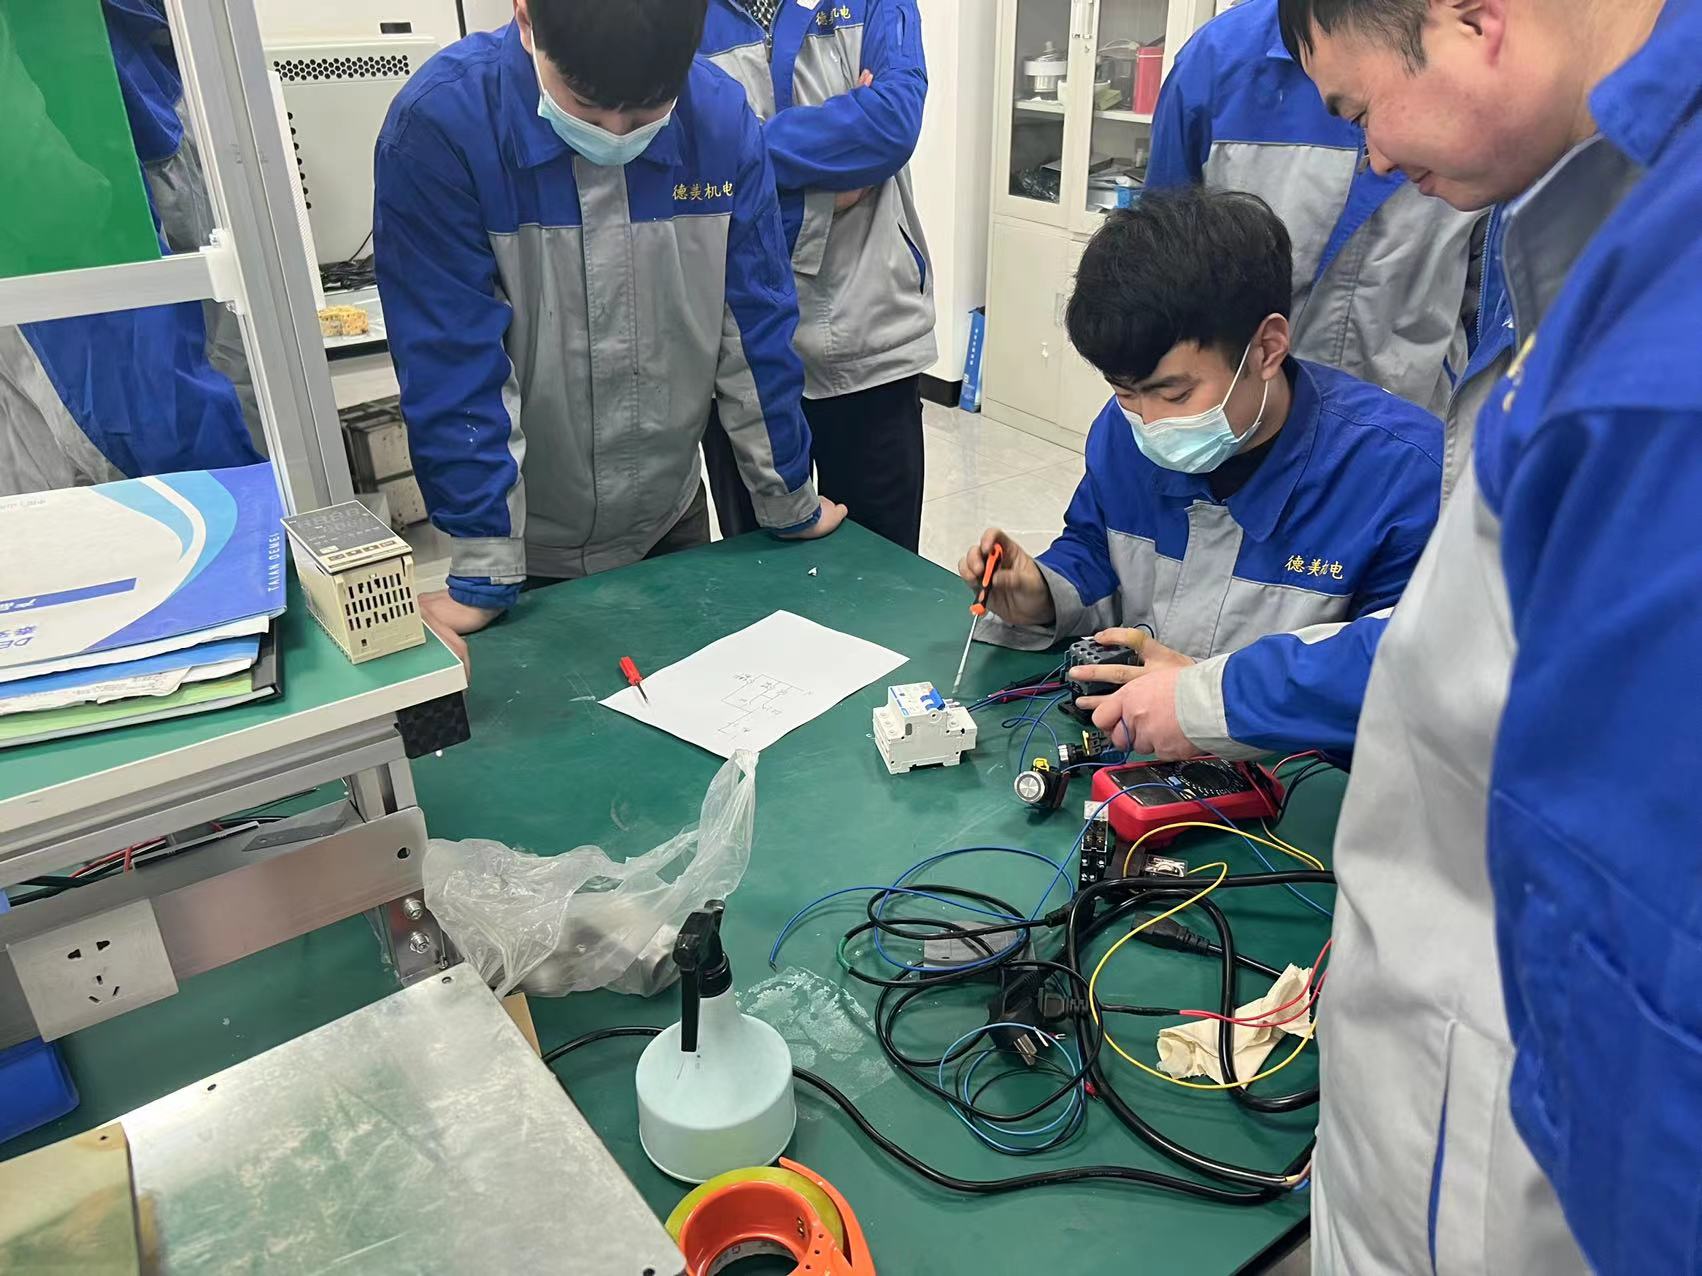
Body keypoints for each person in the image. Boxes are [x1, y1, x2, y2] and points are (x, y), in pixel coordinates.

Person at [1240, 1, 1697, 1272]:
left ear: (1472, 17)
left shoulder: (1662, 344)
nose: (1373, 156)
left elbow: (1659, 1011)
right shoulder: (1578, 218)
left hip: (1505, 1183)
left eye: (1359, 109)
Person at [374, 0, 845, 659]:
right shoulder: (442, 127)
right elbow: (452, 364)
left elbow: (756, 329)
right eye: (588, 109)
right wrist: (483, 567)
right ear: (526, 18)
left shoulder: (720, 121)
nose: (619, 135)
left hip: (669, 518)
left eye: (649, 112)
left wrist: (788, 497)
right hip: (525, 545)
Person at [958, 186, 1442, 753]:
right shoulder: (1122, 431)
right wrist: (1044, 593)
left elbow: (1404, 682)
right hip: (1142, 762)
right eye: (1125, 392)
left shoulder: (1403, 477)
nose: (1151, 423)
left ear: (1267, 349)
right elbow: (1098, 551)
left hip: (1293, 783)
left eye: (1176, 393)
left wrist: (1209, 703)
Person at [1147, 0, 1480, 414]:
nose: (1383, 158)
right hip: (1254, 412)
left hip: (1411, 410)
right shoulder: (1218, 62)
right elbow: (1158, 263)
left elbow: (1494, 290)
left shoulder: (1465, 52)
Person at [695, 0, 935, 553]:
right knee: (761, 577)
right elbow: (684, 163)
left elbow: (892, 123)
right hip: (738, 356)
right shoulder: (680, 17)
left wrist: (744, 148)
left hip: (873, 334)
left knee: (883, 577)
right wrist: (823, 197)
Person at [0, 0, 258, 496]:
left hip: (138, 158)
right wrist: (81, 210)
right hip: (87, 230)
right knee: (162, 463)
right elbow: (43, 191)